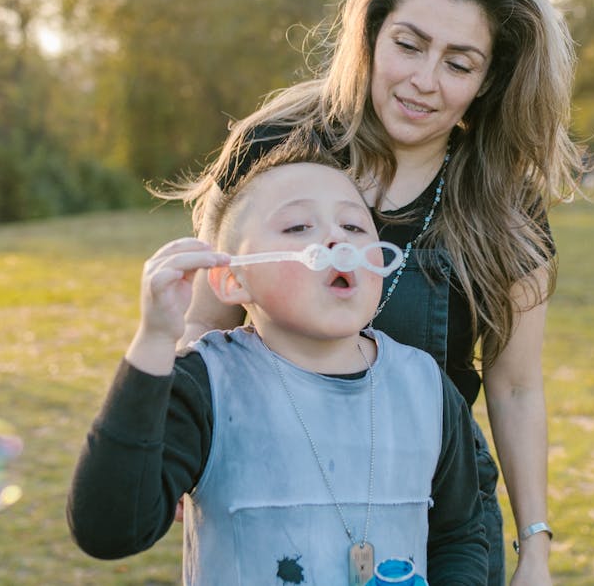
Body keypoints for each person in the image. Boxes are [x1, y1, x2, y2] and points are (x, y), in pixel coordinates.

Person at [168, 0, 585, 584]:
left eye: (458, 63)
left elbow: (516, 387)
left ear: (488, 80)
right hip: (273, 493)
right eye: (409, 45)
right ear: (371, 36)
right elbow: (206, 318)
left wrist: (537, 551)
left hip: (441, 513)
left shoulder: (504, 199)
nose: (424, 81)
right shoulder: (276, 142)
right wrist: (179, 438)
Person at [67, 135, 490, 584]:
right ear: (232, 281)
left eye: (354, 226)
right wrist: (154, 341)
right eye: (297, 227)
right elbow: (108, 531)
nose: (335, 239)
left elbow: (458, 537)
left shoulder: (425, 386)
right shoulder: (206, 385)